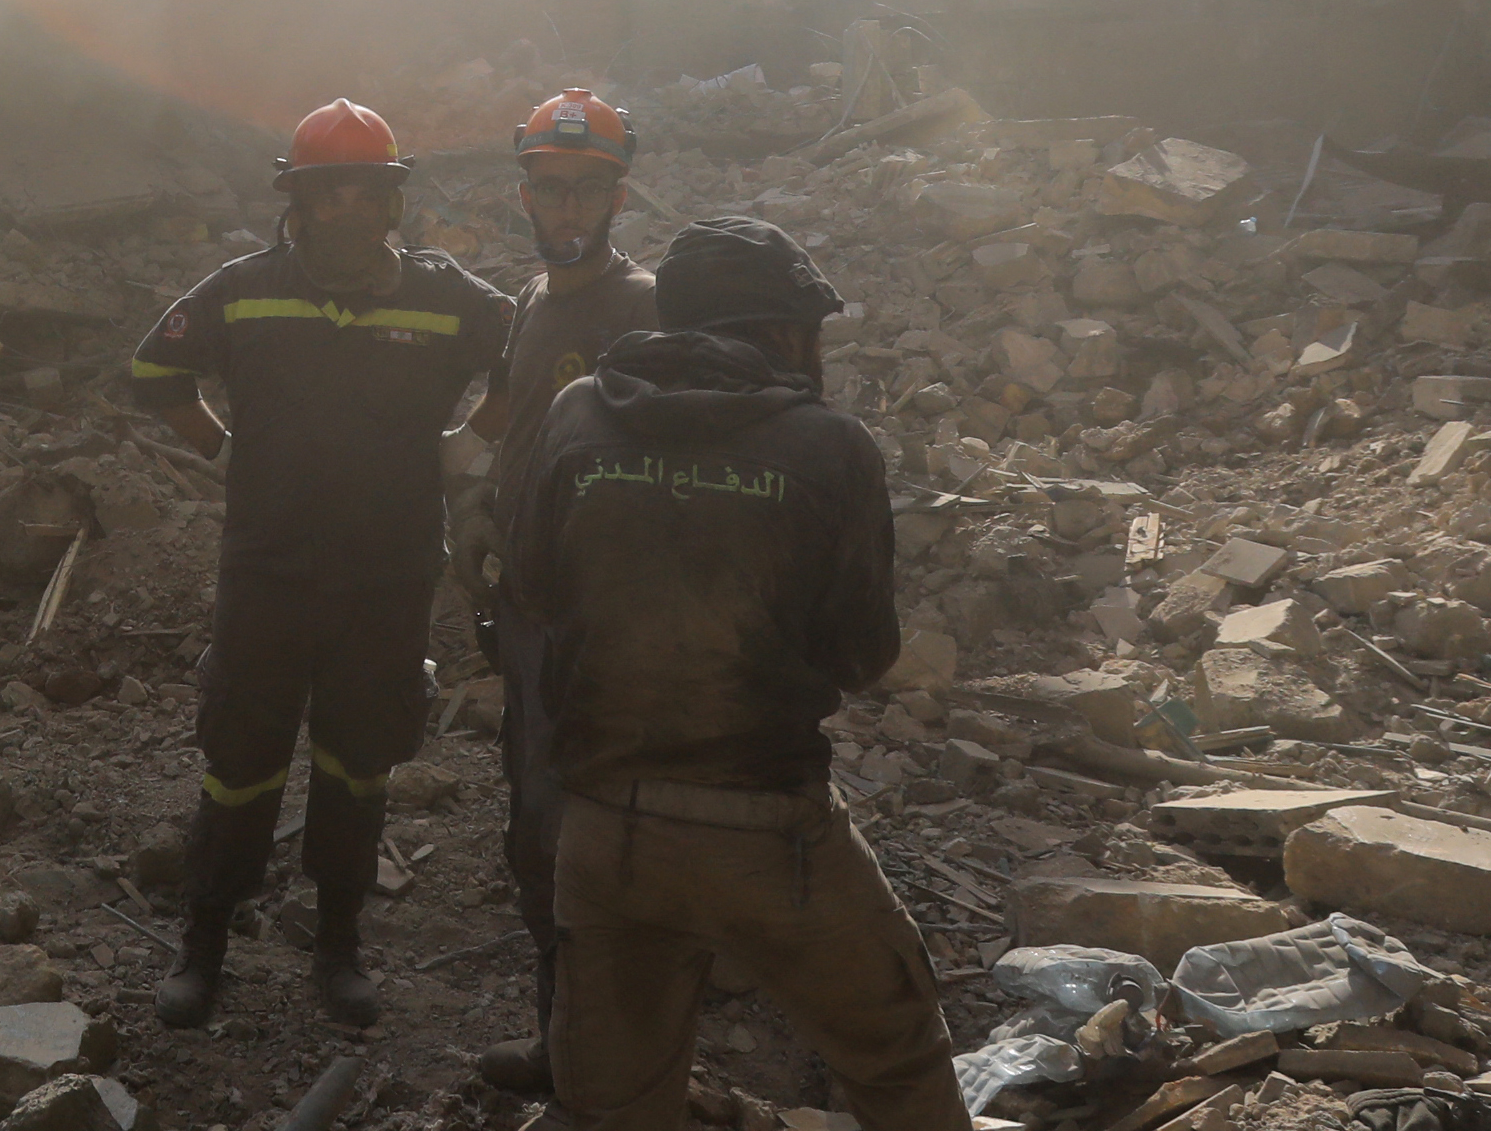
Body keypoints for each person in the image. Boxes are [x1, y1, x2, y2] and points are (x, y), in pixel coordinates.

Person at [505, 217, 969, 1131]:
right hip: (771, 834)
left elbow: (534, 590)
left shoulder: (576, 415)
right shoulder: (832, 444)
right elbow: (862, 655)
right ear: (785, 332)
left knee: (615, 1104)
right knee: (897, 1055)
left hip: (604, 832)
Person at [129, 98, 512, 1030]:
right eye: (324, 189)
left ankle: (338, 947)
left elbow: (528, 357)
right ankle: (205, 942)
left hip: (389, 578)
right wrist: (224, 449)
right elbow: (153, 374)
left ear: (393, 199)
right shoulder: (240, 288)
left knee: (359, 761)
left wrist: (469, 444)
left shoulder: (445, 293)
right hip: (268, 573)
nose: (345, 206)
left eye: (366, 189)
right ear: (294, 198)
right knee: (240, 759)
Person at [450, 89, 660, 1095]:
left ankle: (618, 1060)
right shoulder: (531, 302)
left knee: (596, 831)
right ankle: (564, 1041)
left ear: (617, 194)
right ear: (523, 193)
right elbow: (500, 417)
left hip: (604, 621)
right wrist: (455, 493)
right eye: (548, 187)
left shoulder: (644, 308)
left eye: (586, 188)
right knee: (533, 826)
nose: (565, 207)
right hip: (528, 607)